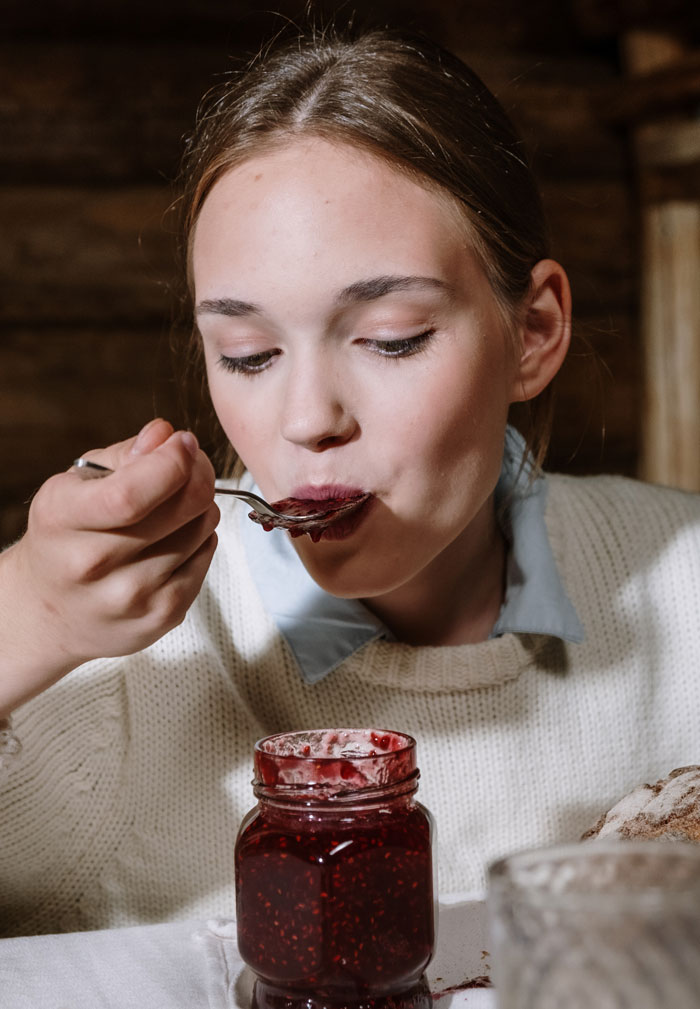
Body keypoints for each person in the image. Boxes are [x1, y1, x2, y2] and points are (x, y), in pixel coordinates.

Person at [1, 26, 700, 938]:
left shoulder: (683, 587)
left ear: (533, 331)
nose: (306, 419)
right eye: (247, 355)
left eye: (391, 337)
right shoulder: (122, 674)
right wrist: (24, 614)